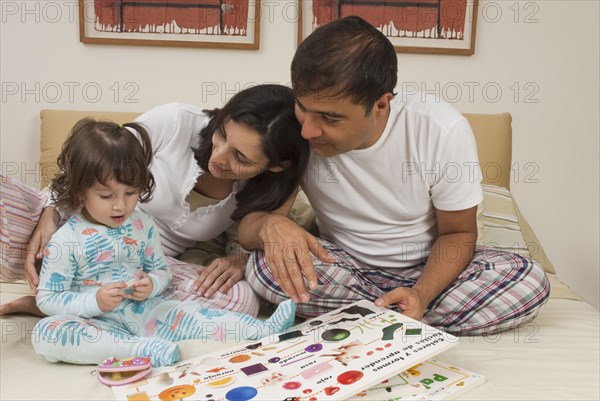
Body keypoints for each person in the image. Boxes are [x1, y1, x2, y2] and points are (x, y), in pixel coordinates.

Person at [238, 16, 550, 335]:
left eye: (330, 118)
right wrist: (270, 224)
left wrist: (421, 294)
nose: (308, 129)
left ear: (381, 105)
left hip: (429, 273)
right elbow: (249, 231)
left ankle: (380, 315)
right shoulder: (295, 129)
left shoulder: (440, 129)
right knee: (262, 269)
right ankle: (395, 319)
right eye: (303, 108)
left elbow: (458, 235)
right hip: (342, 268)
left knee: (530, 281)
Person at [0, 84, 309, 317]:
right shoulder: (176, 121)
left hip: (135, 269)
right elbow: (94, 161)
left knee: (241, 301)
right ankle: (67, 301)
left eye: (240, 157)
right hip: (64, 230)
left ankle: (71, 305)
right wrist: (49, 212)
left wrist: (241, 262)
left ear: (275, 166)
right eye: (223, 135)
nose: (219, 156)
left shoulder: (270, 190)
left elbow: (256, 243)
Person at [31, 118, 296, 367]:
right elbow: (49, 300)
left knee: (189, 313)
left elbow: (161, 271)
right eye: (106, 195)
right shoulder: (65, 240)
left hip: (146, 313)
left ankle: (261, 329)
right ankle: (139, 350)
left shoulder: (140, 223)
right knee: (47, 334)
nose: (120, 205)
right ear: (80, 190)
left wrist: (152, 285)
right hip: (94, 323)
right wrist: (95, 303)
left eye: (131, 193)